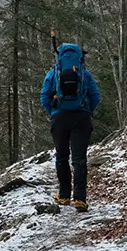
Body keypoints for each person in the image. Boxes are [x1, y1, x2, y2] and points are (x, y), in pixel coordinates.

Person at [40, 37, 102, 210]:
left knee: (61, 156)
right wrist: (87, 111)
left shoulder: (54, 73)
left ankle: (64, 196)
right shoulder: (84, 73)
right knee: (79, 158)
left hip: (59, 118)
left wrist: (53, 112)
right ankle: (80, 199)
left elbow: (44, 96)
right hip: (81, 117)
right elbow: (96, 96)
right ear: (79, 56)